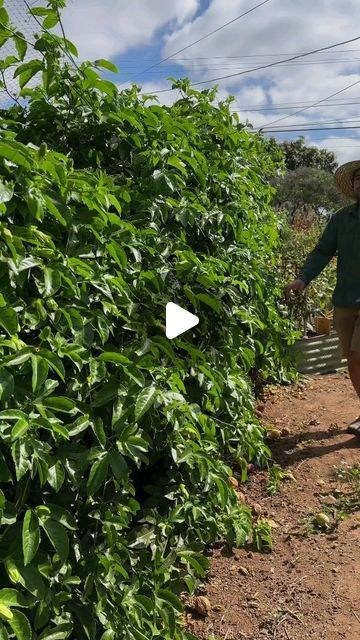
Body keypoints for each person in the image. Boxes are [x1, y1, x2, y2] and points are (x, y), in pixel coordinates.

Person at [285, 160, 360, 436]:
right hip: (345, 300)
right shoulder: (341, 219)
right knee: (352, 361)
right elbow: (322, 252)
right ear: (352, 186)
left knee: (358, 354)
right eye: (358, 179)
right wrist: (302, 278)